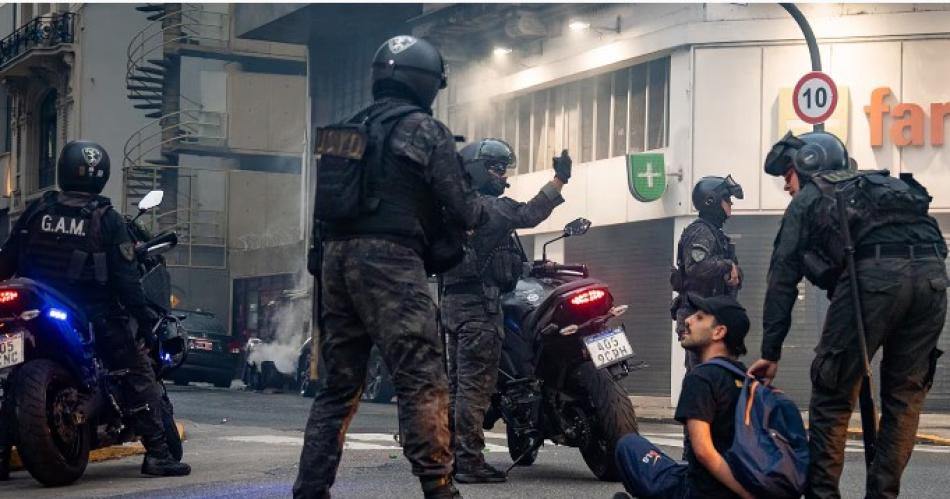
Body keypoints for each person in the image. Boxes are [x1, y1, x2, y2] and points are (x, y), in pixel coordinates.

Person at [294, 36, 484, 499]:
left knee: (338, 387)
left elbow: (323, 210)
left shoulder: (346, 129)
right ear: (427, 83)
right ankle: (439, 487)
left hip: (335, 262)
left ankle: (310, 489)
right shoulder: (425, 129)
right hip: (391, 262)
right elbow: (464, 208)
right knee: (422, 375)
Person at [747, 131, 948, 498]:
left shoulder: (810, 197)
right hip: (933, 280)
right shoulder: (875, 190)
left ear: (810, 162)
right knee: (904, 397)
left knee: (832, 394)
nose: (787, 186)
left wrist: (771, 352)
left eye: (787, 175)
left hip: (874, 283)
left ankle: (823, 496)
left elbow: (782, 279)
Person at [0, 141, 190, 477]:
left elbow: (7, 259)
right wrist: (145, 319)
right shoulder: (106, 219)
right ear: (101, 176)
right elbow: (126, 280)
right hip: (92, 312)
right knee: (135, 369)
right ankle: (159, 454)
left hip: (34, 306)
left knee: (10, 377)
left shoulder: (37, 210)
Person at [441, 139, 569, 483]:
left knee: (457, 387)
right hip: (481, 309)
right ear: (478, 170)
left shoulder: (449, 210)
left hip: (452, 305)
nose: (504, 175)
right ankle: (469, 463)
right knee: (474, 389)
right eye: (497, 169)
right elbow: (530, 213)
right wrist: (559, 180)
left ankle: (450, 456)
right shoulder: (489, 209)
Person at [614, 294, 754, 499]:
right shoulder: (748, 380)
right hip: (734, 480)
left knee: (628, 445)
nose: (688, 320)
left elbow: (703, 451)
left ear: (718, 332)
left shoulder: (701, 378)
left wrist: (746, 494)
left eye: (699, 317)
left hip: (699, 491)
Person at [671, 175, 744, 371]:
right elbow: (696, 267)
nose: (731, 204)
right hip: (697, 318)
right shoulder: (701, 232)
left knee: (712, 373)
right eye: (727, 199)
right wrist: (727, 266)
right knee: (701, 374)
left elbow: (734, 271)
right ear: (712, 201)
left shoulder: (716, 234)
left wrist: (734, 275)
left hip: (710, 318)